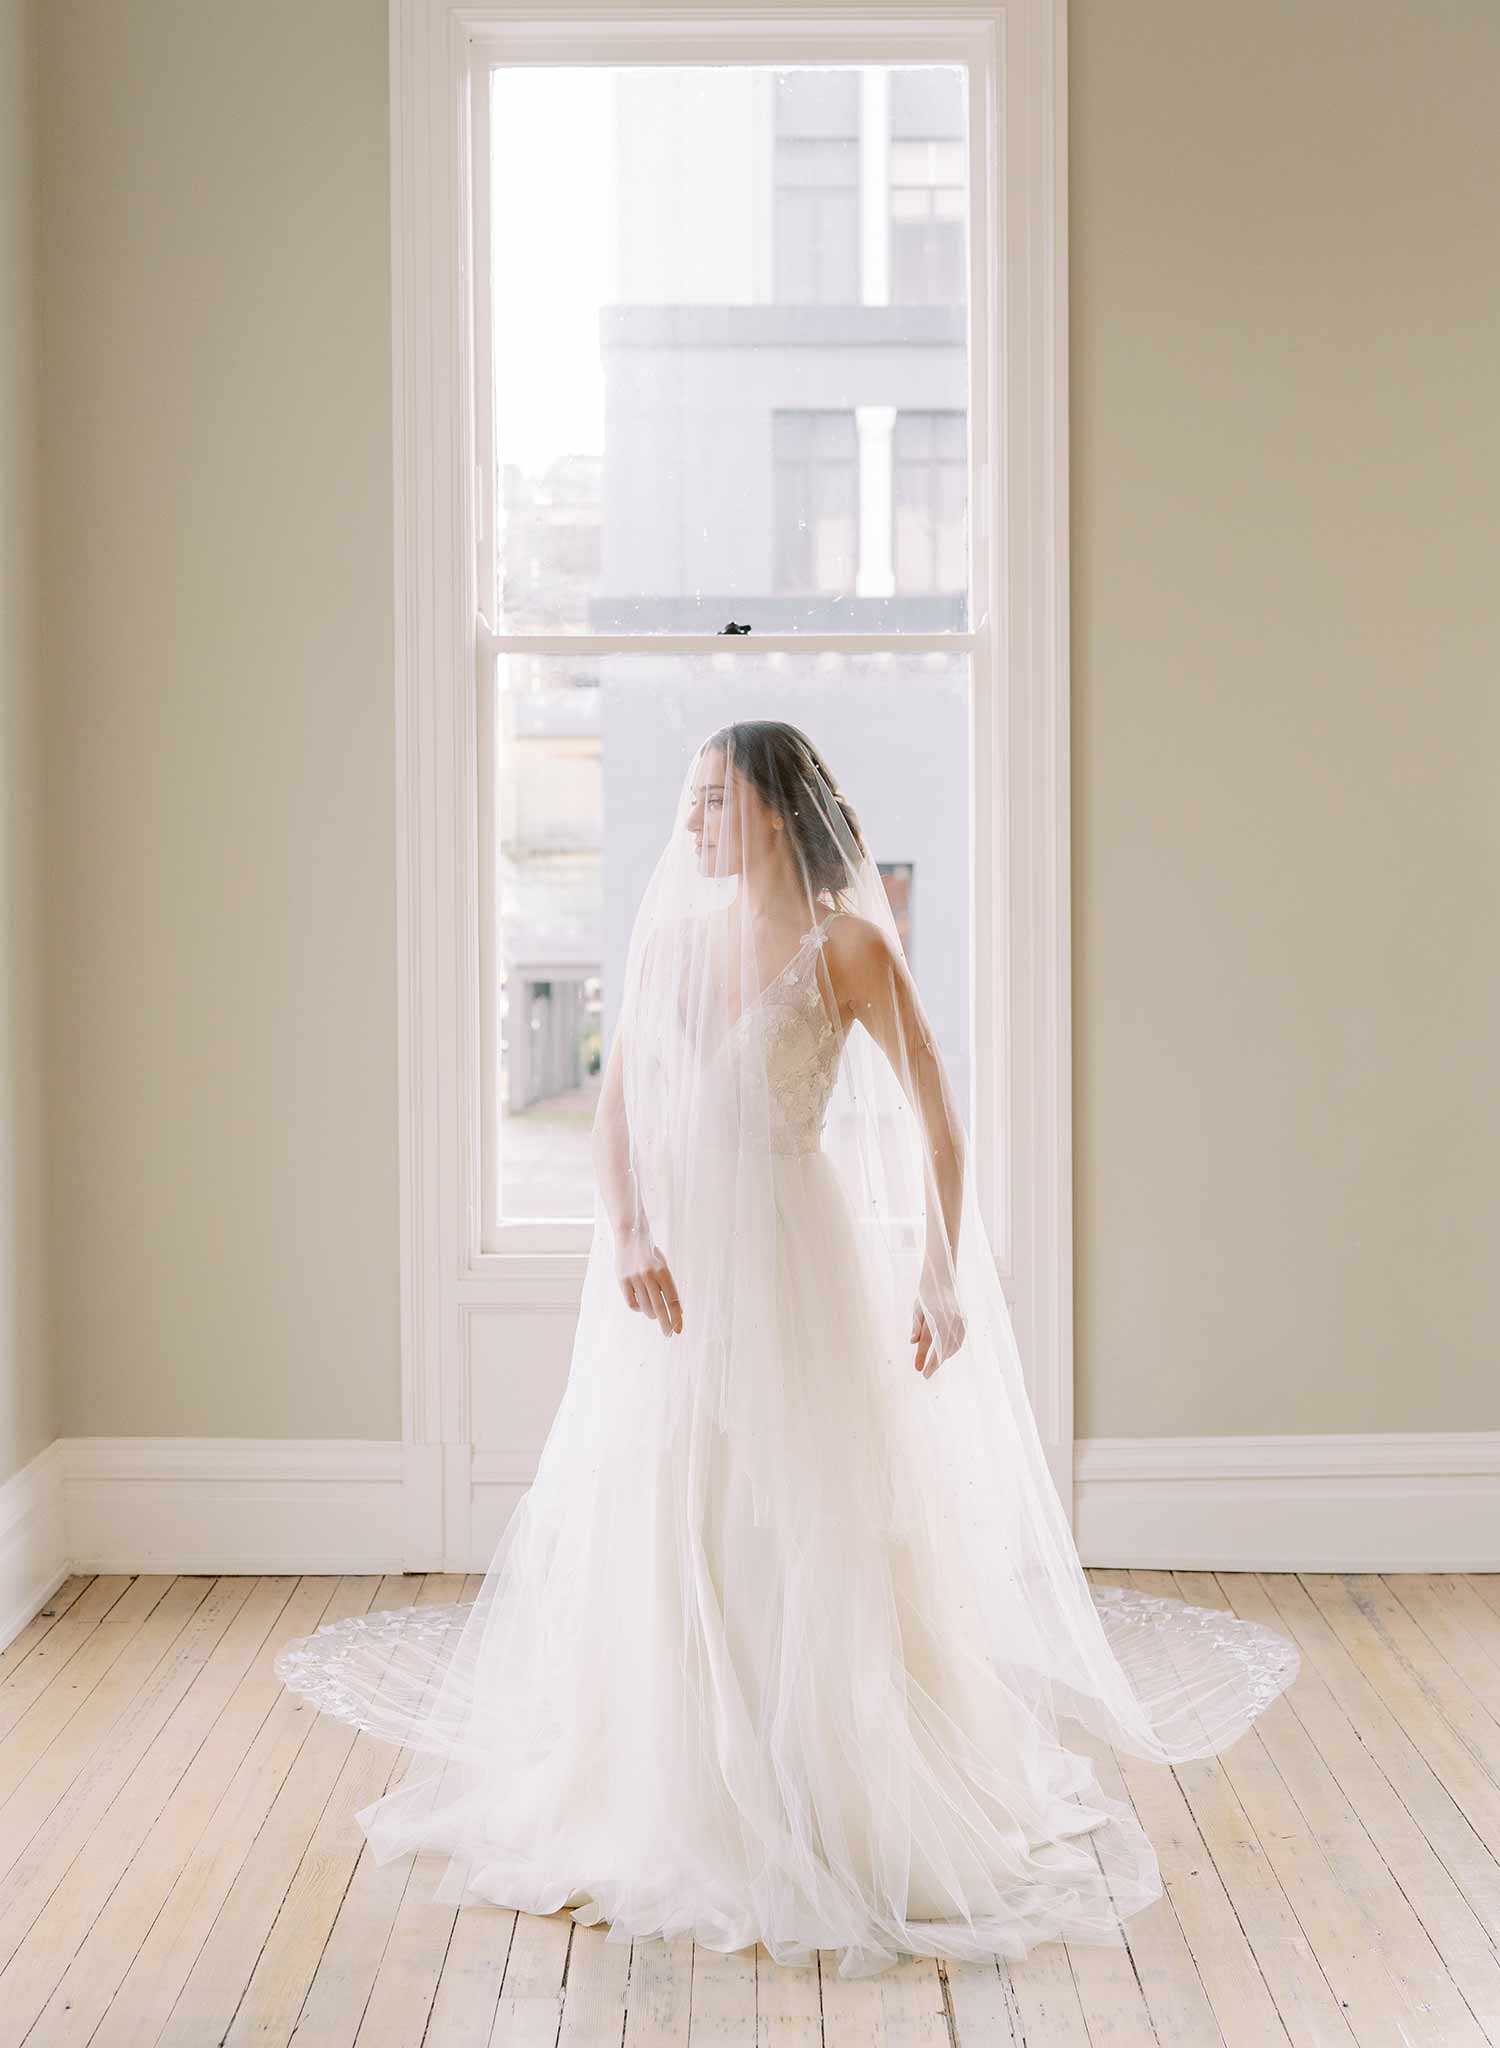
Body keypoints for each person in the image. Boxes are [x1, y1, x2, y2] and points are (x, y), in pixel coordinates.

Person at [275, 719, 1298, 1981]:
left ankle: (819, 1778)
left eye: (714, 799)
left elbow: (938, 1112)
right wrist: (635, 1230)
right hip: (675, 1276)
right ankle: (676, 1777)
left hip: (792, 1250)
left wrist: (936, 1266)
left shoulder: (849, 946)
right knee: (666, 1506)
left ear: (772, 811)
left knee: (802, 1504)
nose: (693, 819)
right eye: (693, 799)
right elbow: (613, 1111)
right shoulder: (670, 942)